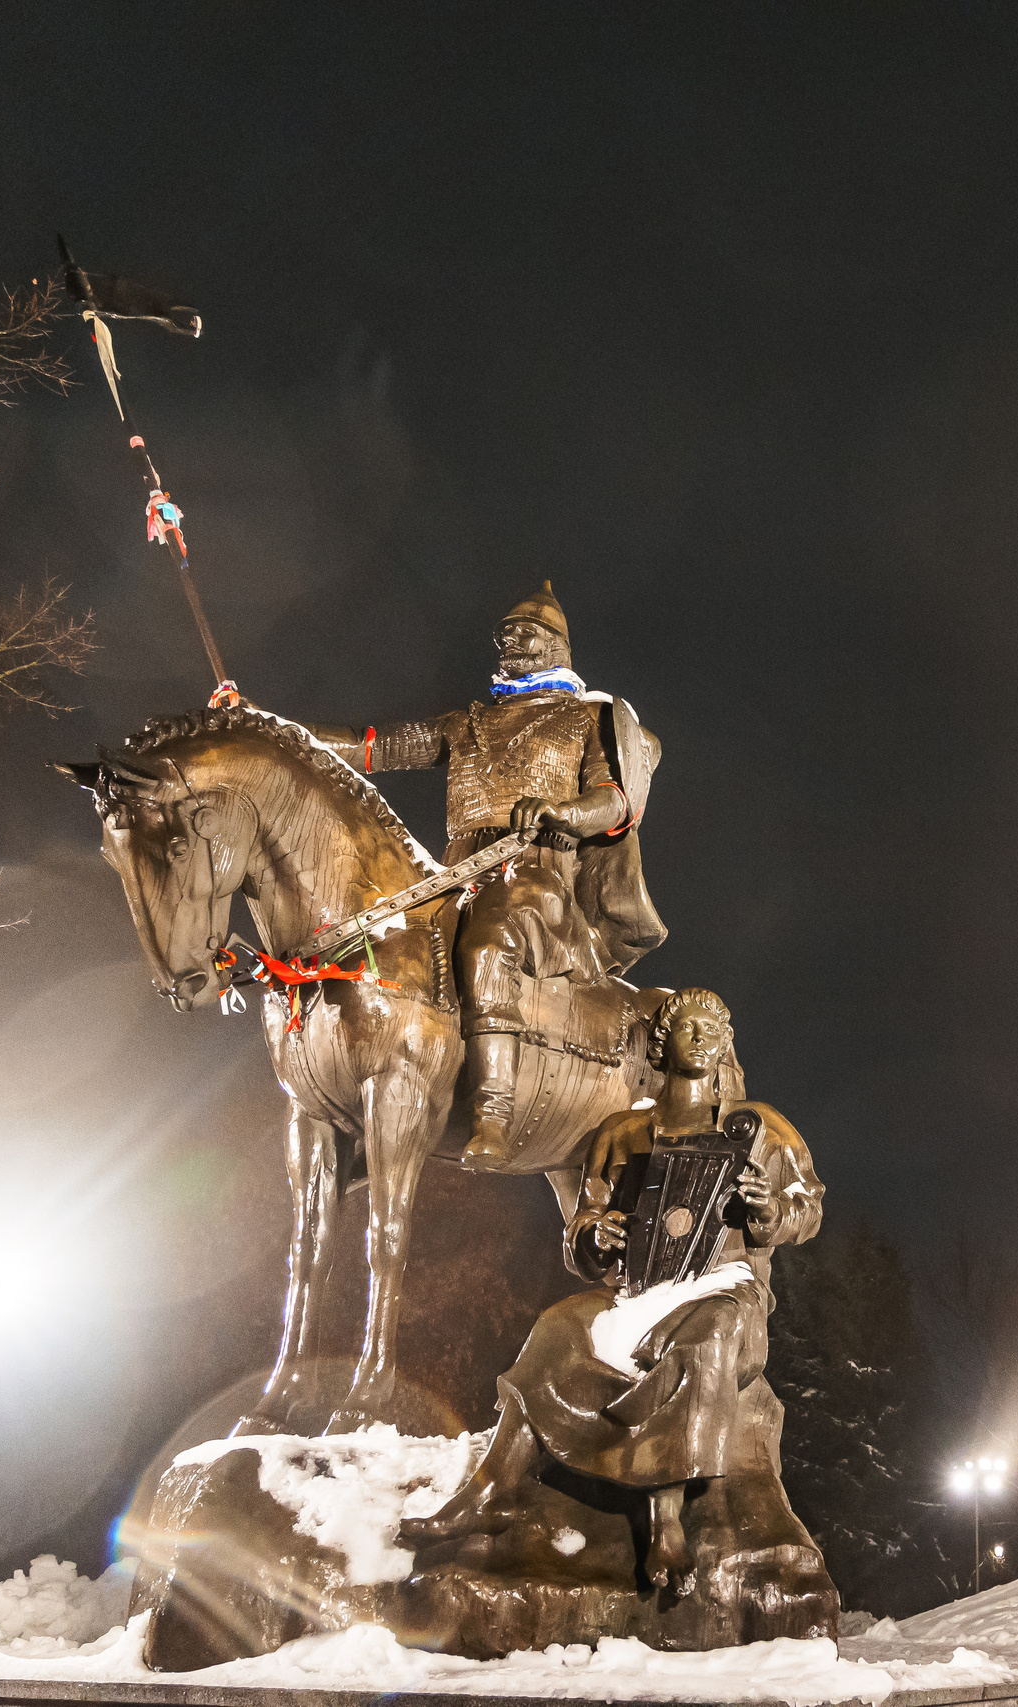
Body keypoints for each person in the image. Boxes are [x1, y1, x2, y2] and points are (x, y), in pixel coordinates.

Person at [399, 988, 823, 1590]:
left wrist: (770, 1208)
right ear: (661, 1043)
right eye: (686, 1028)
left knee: (711, 1330)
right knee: (559, 1325)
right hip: (639, 1292)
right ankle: (493, 1488)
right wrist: (598, 1236)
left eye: (712, 1029)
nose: (700, 1038)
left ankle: (667, 1517)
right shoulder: (624, 1133)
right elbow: (584, 1230)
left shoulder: (760, 1129)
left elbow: (808, 1207)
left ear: (726, 1043)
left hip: (725, 1291)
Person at [307, 584, 662, 1164]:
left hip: (538, 879)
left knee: (488, 943)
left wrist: (563, 813)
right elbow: (377, 747)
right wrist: (279, 733)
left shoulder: (589, 716)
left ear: (558, 646)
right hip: (454, 874)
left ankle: (492, 1114)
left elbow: (617, 799)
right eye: (505, 633)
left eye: (526, 633)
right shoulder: (468, 721)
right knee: (381, 945)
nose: (510, 642)